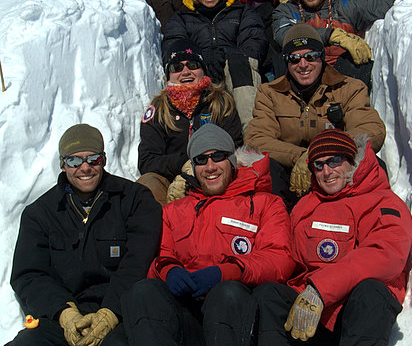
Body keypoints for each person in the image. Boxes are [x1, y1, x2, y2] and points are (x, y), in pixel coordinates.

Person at [123, 124, 295, 346]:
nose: (210, 166)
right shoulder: (173, 211)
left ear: (232, 161)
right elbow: (158, 255)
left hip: (237, 312)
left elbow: (279, 259)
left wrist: (228, 272)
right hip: (188, 310)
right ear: (193, 167)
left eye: (218, 156)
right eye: (201, 160)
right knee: (143, 292)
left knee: (227, 292)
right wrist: (168, 270)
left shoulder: (265, 204)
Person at [253, 129, 412, 346]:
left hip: (355, 309)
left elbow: (385, 254)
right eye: (318, 165)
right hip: (310, 307)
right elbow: (289, 256)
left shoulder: (383, 201)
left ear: (351, 161)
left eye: (334, 161)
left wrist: (320, 289)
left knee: (371, 292)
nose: (326, 171)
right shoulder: (306, 205)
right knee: (268, 294)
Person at [6, 124, 162, 346]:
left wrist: (110, 313)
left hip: (122, 314)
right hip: (64, 317)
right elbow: (29, 274)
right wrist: (64, 314)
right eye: (74, 161)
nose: (85, 167)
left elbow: (139, 261)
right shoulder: (40, 213)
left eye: (93, 159)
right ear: (63, 165)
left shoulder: (135, 200)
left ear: (104, 160)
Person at [244, 23, 386, 207]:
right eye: (295, 59)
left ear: (322, 58)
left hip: (336, 169)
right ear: (286, 62)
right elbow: (256, 138)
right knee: (265, 168)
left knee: (374, 164)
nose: (303, 65)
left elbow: (371, 130)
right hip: (291, 173)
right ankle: (278, 222)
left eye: (311, 57)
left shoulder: (349, 88)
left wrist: (319, 154)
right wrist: (299, 156)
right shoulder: (269, 92)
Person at [163, 0, 268, 129]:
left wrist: (225, 55)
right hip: (199, 75)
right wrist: (202, 60)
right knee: (183, 68)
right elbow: (173, 47)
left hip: (235, 74)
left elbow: (255, 43)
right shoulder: (181, 17)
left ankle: (250, 133)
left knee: (240, 62)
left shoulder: (242, 12)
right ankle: (190, 134)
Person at [272, 0, 400, 86]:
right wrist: (332, 35)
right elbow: (285, 35)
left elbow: (391, 5)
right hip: (301, 85)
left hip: (341, 87)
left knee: (356, 63)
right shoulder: (285, 11)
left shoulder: (345, 8)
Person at [137, 40, 243, 205]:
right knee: (147, 185)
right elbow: (147, 160)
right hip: (172, 179)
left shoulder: (221, 103)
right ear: (169, 75)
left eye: (193, 65)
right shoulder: (158, 110)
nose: (185, 71)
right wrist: (184, 164)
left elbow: (235, 146)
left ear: (203, 70)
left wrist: (202, 163)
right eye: (177, 68)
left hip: (214, 173)